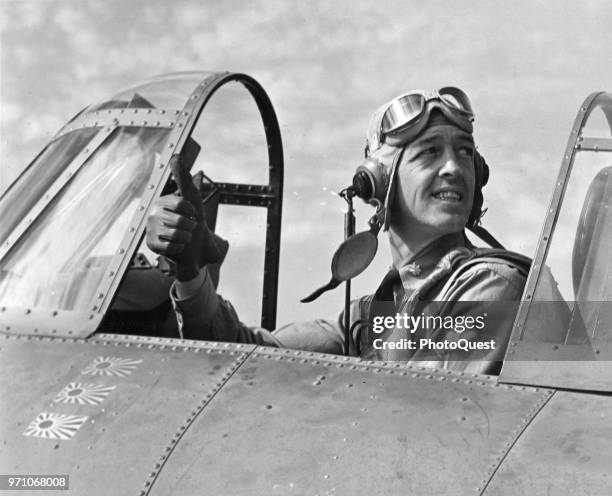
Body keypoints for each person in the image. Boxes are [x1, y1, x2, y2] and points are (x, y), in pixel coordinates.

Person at [146, 87, 531, 375]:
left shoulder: (493, 287)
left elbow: (428, 421)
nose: (453, 167)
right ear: (377, 184)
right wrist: (191, 274)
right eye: (429, 152)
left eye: (464, 152)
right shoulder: (370, 318)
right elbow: (250, 359)